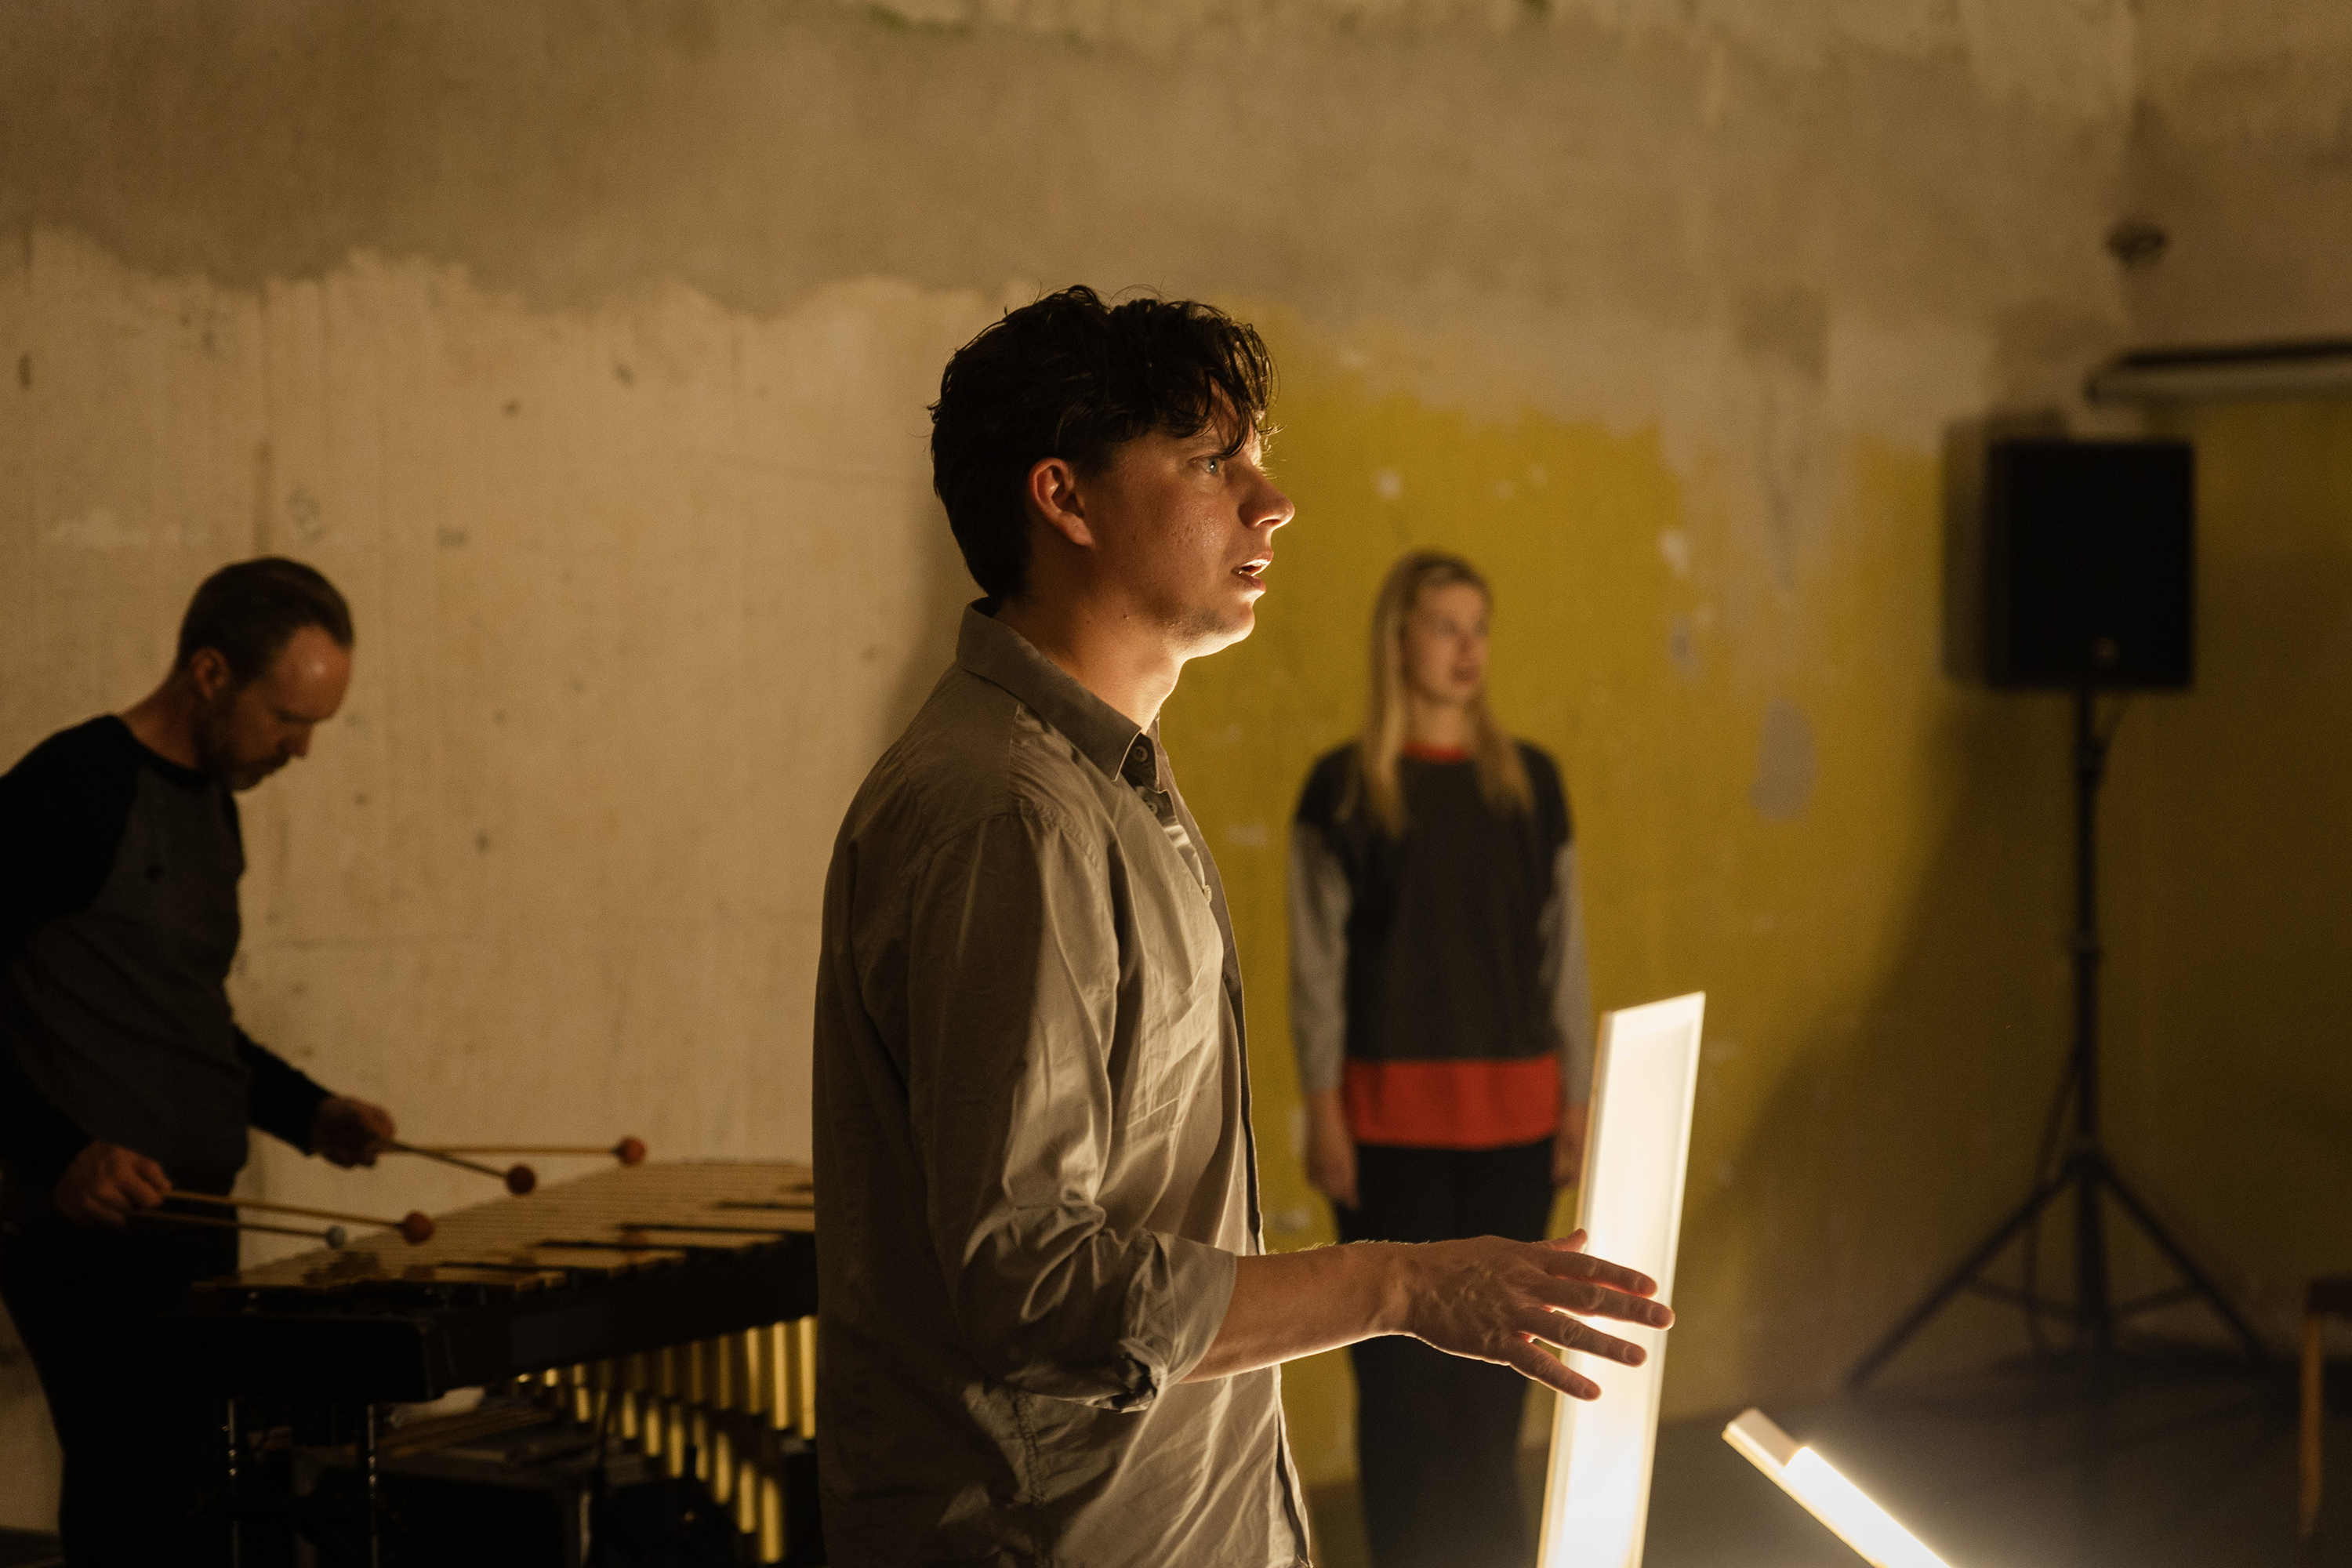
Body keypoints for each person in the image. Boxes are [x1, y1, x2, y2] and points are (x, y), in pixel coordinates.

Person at [812, 288, 1669, 1568]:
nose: (1273, 504)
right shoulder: (1012, 815)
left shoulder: (1115, 782)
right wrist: (1399, 1284)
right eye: (1213, 463)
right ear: (1066, 499)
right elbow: (1033, 1286)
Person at [0, 557, 400, 1566]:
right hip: (86, 1231)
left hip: (190, 1218)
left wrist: (307, 1109)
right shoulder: (73, 788)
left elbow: (183, 1017)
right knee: (145, 1511)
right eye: (288, 718)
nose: (302, 748)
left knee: (204, 1511)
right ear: (211, 673)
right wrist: (57, 1153)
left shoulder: (215, 801)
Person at [1288, 549, 1594, 1568]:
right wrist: (1322, 1104)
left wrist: (1579, 1098)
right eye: (1445, 627)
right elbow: (1316, 967)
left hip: (1518, 1128)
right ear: (1399, 642)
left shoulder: (1530, 784)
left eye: (1479, 628)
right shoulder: (1343, 790)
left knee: (1495, 1385)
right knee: (1401, 1389)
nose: (1467, 649)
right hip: (1388, 1134)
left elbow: (1564, 955)